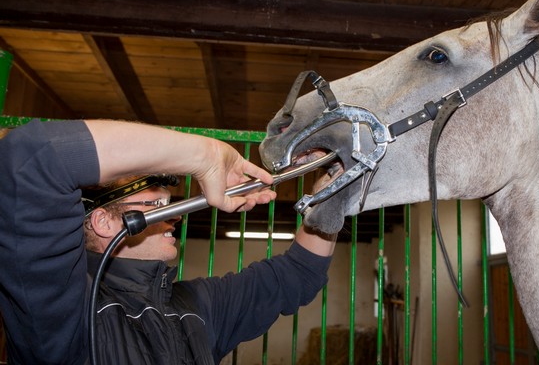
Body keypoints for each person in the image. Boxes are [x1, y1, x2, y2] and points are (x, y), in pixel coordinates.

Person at [0, 119, 337, 364]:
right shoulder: (64, 309)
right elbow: (28, 161)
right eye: (157, 206)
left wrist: (333, 195)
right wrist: (202, 155)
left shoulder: (194, 305)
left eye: (173, 205)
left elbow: (297, 274)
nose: (175, 216)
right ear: (103, 222)